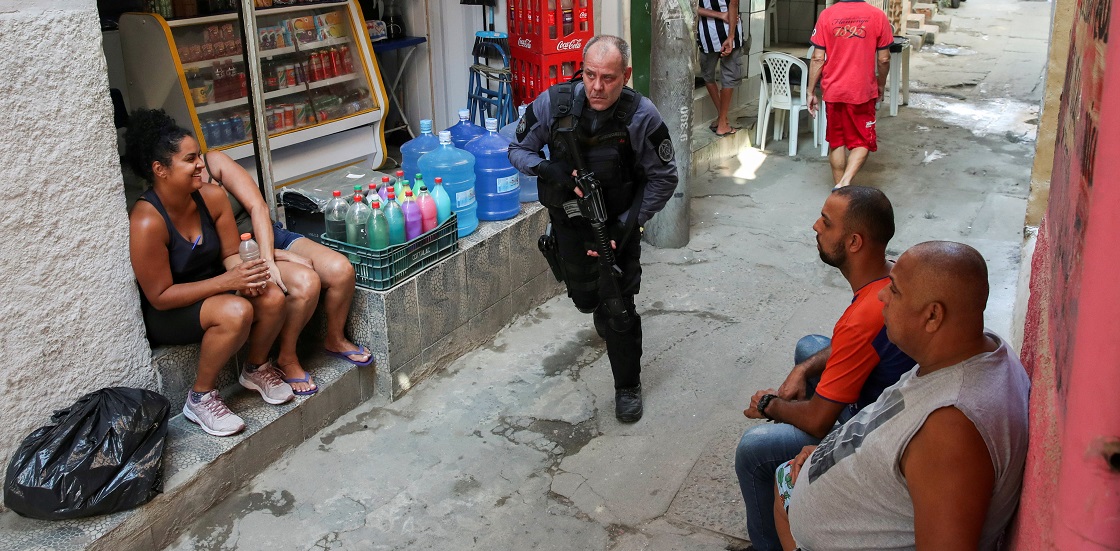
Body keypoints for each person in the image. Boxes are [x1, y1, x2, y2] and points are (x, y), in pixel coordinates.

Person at [772, 241, 1031, 551]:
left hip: (818, 537)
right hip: (824, 484)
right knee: (783, 472)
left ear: (933, 316)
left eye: (894, 290)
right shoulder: (979, 347)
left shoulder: (951, 430)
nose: (881, 295)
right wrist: (830, 452)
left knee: (756, 452)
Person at [508, 35, 678, 423]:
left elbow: (664, 177)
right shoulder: (555, 103)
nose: (598, 87)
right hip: (569, 224)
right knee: (586, 300)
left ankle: (627, 385)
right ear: (580, 71)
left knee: (619, 309)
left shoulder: (641, 115)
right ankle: (596, 303)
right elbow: (517, 149)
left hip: (619, 224)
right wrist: (547, 168)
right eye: (590, 75)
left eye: (609, 78)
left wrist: (628, 225)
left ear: (626, 76)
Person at [734, 186, 915, 550]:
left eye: (826, 223)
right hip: (881, 389)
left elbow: (817, 420)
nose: (815, 226)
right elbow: (853, 343)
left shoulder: (862, 317)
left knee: (754, 449)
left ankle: (765, 543)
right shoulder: (888, 276)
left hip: (869, 430)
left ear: (853, 242)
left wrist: (769, 405)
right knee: (810, 348)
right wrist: (802, 370)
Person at [126, 109, 293, 437]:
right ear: (160, 169)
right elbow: (160, 297)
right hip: (171, 309)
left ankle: (256, 368)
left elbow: (230, 255)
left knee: (271, 294)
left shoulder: (212, 198)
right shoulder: (147, 221)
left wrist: (246, 276)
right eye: (190, 159)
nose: (202, 165)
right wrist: (229, 283)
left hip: (215, 289)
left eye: (200, 156)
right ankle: (200, 398)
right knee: (237, 310)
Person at [199, 146, 373, 396]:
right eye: (188, 156)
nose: (196, 162)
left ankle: (334, 338)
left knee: (341, 270)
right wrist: (276, 257)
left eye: (195, 154)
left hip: (270, 236)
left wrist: (270, 255)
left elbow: (258, 207)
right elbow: (218, 252)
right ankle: (287, 357)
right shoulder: (180, 195)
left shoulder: (213, 161)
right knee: (306, 282)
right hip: (241, 255)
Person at [806, 0, 893, 189]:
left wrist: (810, 90)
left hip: (833, 90)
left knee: (837, 141)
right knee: (863, 141)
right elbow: (884, 59)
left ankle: (840, 193)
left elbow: (818, 57)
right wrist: (881, 84)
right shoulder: (878, 16)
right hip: (862, 90)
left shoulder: (826, 15)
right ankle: (845, 182)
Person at [697, 0, 745, 137]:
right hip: (730, 30)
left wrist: (718, 15)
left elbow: (692, 7)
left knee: (708, 75)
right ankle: (723, 122)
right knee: (729, 77)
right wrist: (730, 36)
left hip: (707, 34)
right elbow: (733, 4)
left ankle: (721, 118)